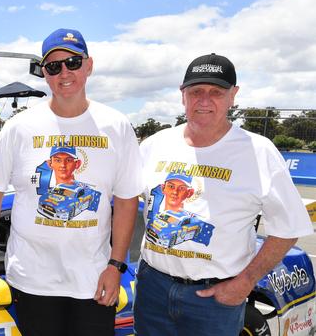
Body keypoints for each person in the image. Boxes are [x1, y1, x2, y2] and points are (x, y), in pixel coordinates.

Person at [0, 28, 143, 336]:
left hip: (93, 280)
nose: (64, 72)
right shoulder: (19, 128)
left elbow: (126, 201)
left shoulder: (117, 126)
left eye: (73, 62)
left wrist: (116, 265)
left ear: (89, 65)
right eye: (54, 66)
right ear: (45, 72)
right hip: (32, 280)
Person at [134, 53, 313, 335]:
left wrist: (245, 282)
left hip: (215, 299)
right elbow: (124, 200)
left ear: (233, 96)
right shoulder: (154, 145)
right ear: (183, 96)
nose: (204, 101)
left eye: (216, 92)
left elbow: (289, 228)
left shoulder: (258, 151)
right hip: (152, 288)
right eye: (196, 92)